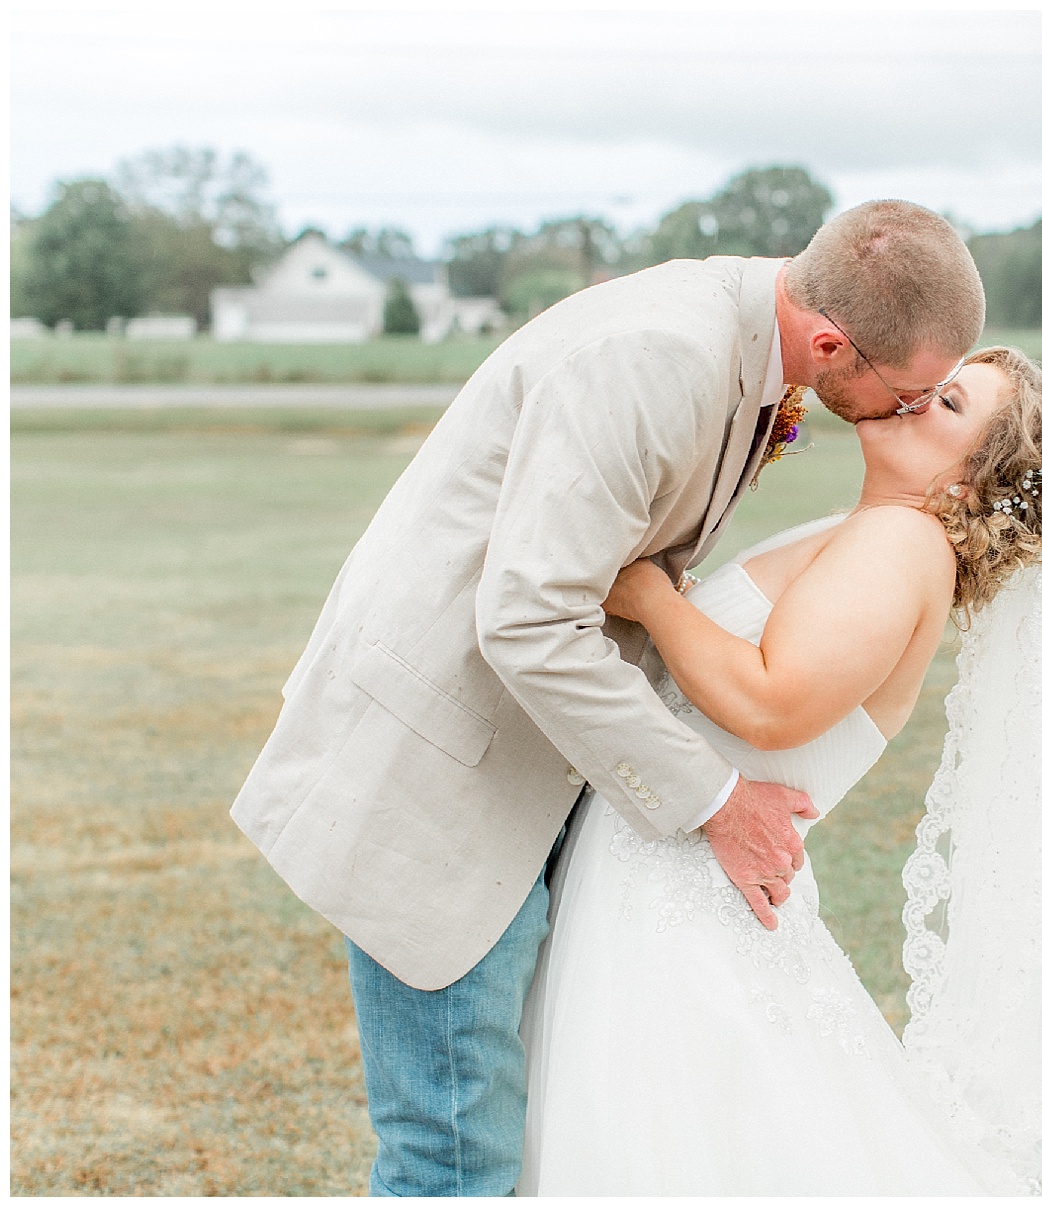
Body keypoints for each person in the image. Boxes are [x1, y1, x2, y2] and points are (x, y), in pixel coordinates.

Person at [228, 201, 986, 1196]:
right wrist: (716, 799)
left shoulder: (755, 337)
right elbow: (529, 621)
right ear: (832, 341)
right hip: (450, 765)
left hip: (542, 762)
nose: (905, 410)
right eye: (907, 391)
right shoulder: (662, 356)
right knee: (451, 1151)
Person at [519, 347, 1042, 1195]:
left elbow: (771, 703)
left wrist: (651, 595)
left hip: (684, 892)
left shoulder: (904, 542)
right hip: (663, 865)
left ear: (969, 484)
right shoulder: (868, 530)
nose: (914, 399)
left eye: (947, 405)